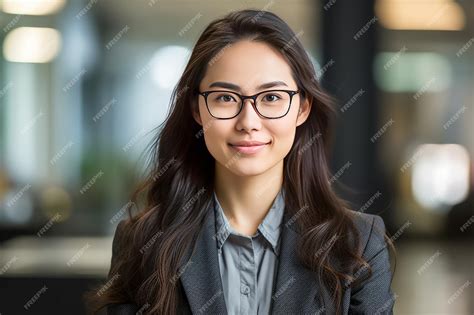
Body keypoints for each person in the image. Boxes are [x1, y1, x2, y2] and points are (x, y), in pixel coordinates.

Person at [85, 9, 396, 315]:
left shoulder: (358, 244)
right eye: (225, 97)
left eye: (271, 97)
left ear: (302, 108)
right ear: (197, 109)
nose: (248, 122)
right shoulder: (143, 241)